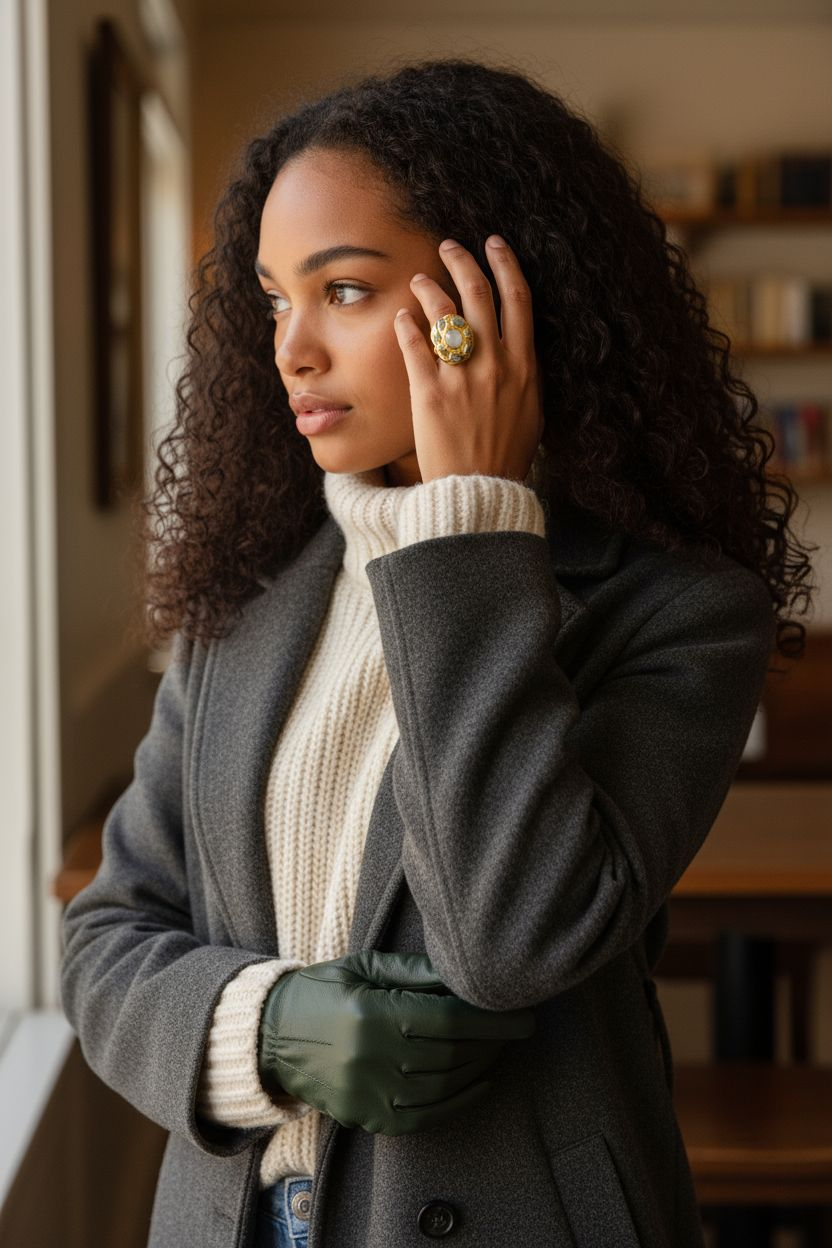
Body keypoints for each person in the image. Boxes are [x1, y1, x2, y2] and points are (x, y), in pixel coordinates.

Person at [59, 56, 815, 1248]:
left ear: (505, 299)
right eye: (271, 300)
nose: (290, 349)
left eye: (344, 290)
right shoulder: (245, 598)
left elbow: (511, 939)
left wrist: (467, 521)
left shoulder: (679, 613)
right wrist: (260, 1028)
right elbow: (106, 937)